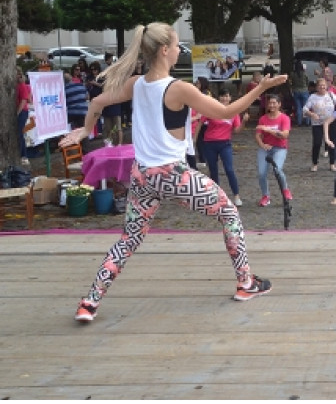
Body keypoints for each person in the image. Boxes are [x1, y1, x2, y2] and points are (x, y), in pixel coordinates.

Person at [59, 22, 286, 323]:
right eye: (178, 45)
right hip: (172, 176)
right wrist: (261, 88)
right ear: (165, 50)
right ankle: (246, 283)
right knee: (230, 214)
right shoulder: (178, 88)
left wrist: (86, 129)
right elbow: (226, 113)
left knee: (128, 239)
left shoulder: (136, 83)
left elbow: (98, 101)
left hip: (142, 177)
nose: (181, 50)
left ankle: (90, 302)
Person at [203, 87, 250, 207]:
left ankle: (236, 195)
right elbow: (200, 123)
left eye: (227, 96)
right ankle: (216, 196)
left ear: (230, 98)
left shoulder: (233, 113)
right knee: (213, 170)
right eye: (222, 96)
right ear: (218, 98)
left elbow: (237, 130)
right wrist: (193, 139)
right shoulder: (212, 110)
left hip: (225, 144)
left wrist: (244, 122)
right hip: (209, 143)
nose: (224, 98)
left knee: (229, 169)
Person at [255, 93, 292, 207]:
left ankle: (285, 190)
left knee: (277, 169)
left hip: (279, 148)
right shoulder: (263, 118)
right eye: (269, 103)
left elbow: (284, 135)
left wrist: (268, 129)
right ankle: (265, 196)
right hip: (266, 148)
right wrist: (262, 144)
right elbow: (258, 135)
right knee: (261, 173)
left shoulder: (284, 118)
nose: (271, 105)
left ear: (279, 104)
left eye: (274, 103)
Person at [303, 78, 336, 172]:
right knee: (317, 143)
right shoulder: (313, 97)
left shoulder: (331, 95)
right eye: (320, 85)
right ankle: (314, 163)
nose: (322, 87)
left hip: (330, 122)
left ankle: (332, 163)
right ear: (317, 87)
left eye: (324, 85)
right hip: (317, 123)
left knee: (332, 143)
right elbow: (304, 109)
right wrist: (311, 114)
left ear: (326, 86)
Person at [15, 69, 31, 164]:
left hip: (23, 111)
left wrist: (18, 113)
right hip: (20, 111)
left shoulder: (22, 86)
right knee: (19, 133)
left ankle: (24, 155)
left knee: (20, 133)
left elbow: (24, 100)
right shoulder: (16, 86)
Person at [290, 59, 310, 126]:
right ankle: (307, 122)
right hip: (304, 90)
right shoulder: (304, 74)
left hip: (296, 91)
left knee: (298, 107)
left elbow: (291, 82)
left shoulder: (292, 74)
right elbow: (307, 82)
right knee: (306, 107)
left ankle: (299, 122)